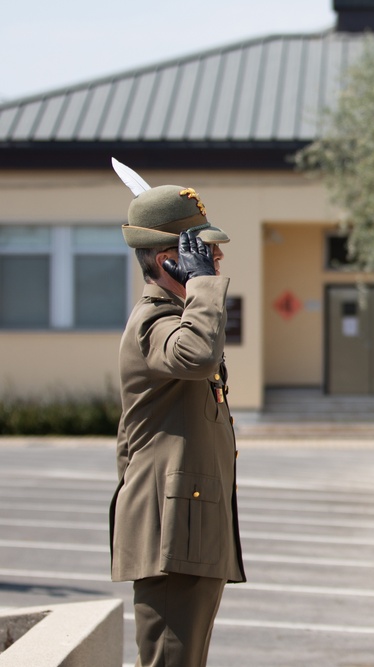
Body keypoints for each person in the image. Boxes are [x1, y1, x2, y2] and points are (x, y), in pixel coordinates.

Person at [109, 182, 245, 667]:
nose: (215, 264)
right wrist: (203, 286)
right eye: (202, 253)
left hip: (189, 530)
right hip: (170, 532)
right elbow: (196, 354)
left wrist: (199, 290)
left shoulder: (178, 316)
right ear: (170, 259)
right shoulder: (154, 323)